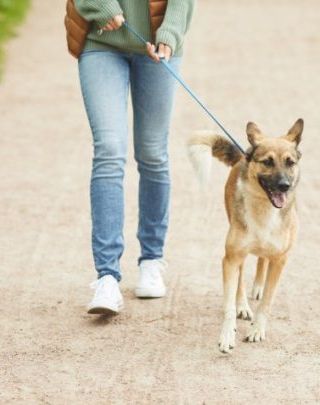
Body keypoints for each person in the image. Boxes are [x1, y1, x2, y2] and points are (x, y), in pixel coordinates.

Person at [73, 0, 195, 315]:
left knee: (153, 153)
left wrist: (171, 32)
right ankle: (106, 277)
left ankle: (152, 260)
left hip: (159, 42)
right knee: (109, 150)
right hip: (101, 42)